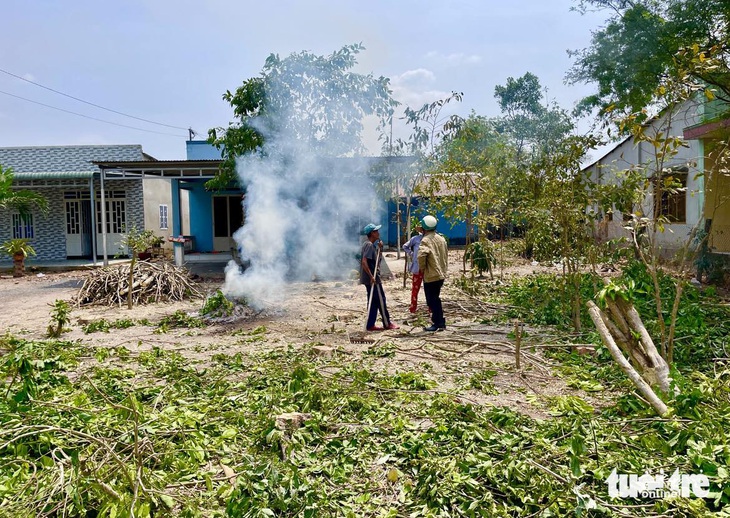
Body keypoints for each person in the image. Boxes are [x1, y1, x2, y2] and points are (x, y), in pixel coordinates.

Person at [360, 223, 399, 331]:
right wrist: (371, 276)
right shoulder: (368, 245)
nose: (378, 233)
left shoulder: (370, 245)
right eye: (376, 231)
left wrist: (380, 249)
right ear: (372, 233)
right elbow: (364, 262)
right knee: (381, 299)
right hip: (372, 278)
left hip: (371, 277)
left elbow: (376, 260)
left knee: (373, 301)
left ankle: (370, 324)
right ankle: (387, 323)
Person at [417, 215, 448, 332]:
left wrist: (422, 269)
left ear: (424, 229)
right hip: (441, 274)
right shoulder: (441, 239)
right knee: (436, 298)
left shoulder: (425, 240)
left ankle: (438, 323)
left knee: (431, 300)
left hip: (430, 275)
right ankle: (440, 322)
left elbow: (421, 256)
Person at [402, 225, 425, 314]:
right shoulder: (415, 239)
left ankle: (431, 308)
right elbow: (405, 246)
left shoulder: (431, 239)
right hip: (417, 268)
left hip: (428, 269)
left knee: (429, 290)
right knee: (415, 289)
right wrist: (412, 254)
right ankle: (413, 308)